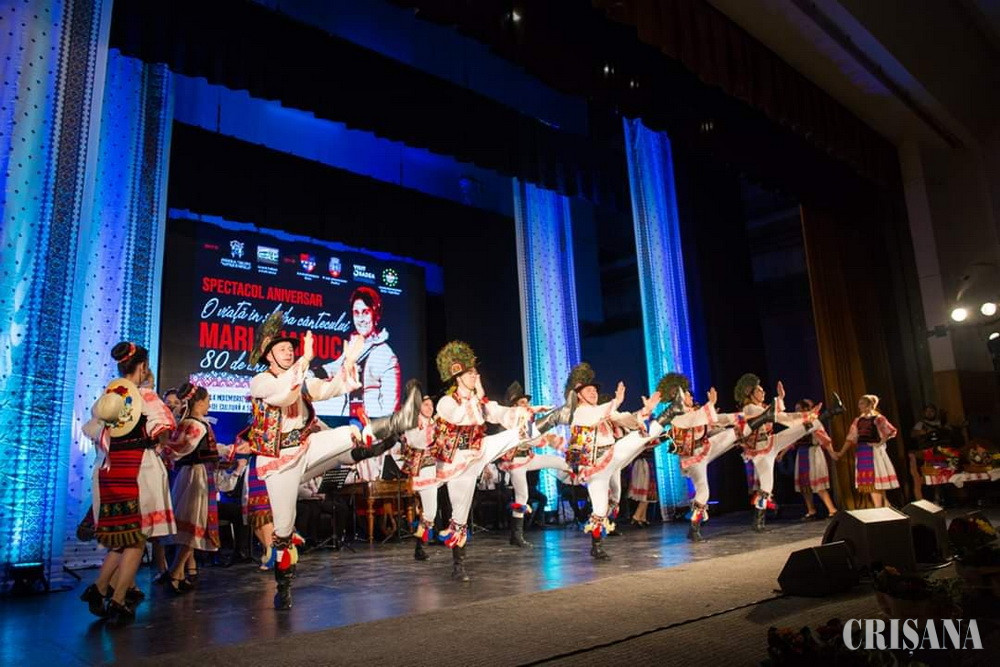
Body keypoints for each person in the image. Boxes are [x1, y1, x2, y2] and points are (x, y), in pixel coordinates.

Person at [244, 310, 420, 609]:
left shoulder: (300, 379)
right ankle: (283, 586)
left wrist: (349, 361)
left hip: (304, 447)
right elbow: (284, 395)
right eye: (282, 349)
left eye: (291, 348)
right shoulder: (260, 381)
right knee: (284, 529)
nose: (289, 351)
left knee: (347, 432)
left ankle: (395, 423)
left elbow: (328, 389)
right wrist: (305, 361)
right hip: (278, 461)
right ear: (268, 356)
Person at [80, 342, 176, 625]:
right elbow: (164, 427)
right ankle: (118, 599)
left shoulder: (109, 396)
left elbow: (94, 431)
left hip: (110, 468)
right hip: (139, 468)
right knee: (137, 538)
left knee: (122, 537)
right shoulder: (146, 397)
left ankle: (99, 588)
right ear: (143, 367)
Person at [432, 341, 528, 581]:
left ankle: (553, 419)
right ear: (458, 376)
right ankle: (458, 564)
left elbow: (497, 412)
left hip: (478, 451)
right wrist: (477, 398)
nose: (476, 376)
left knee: (515, 433)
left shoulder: (479, 402)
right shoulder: (446, 402)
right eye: (471, 373)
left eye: (476, 372)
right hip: (456, 463)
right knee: (460, 512)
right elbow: (463, 417)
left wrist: (519, 413)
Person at [564, 363, 661, 560]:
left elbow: (626, 419)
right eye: (589, 391)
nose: (593, 393)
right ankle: (596, 546)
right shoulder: (581, 412)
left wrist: (646, 410)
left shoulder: (602, 411)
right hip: (595, 465)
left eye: (595, 391)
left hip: (611, 457)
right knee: (599, 508)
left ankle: (663, 422)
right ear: (579, 396)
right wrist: (616, 401)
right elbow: (600, 413)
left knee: (639, 437)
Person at [734, 373, 843, 532]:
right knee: (766, 487)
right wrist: (781, 401)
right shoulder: (750, 408)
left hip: (771, 443)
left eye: (763, 390)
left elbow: (783, 417)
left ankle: (831, 412)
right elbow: (777, 416)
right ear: (749, 393)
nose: (763, 392)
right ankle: (758, 520)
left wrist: (785, 402)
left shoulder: (763, 407)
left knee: (801, 429)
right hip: (760, 451)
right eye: (759, 390)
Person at [163, 383, 222, 593]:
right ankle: (174, 572)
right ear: (199, 402)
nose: (209, 404)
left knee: (192, 527)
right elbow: (178, 449)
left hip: (195, 473)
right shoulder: (194, 424)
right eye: (207, 400)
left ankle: (179, 574)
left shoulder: (195, 423)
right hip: (195, 476)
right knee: (192, 526)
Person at [495, 381, 567, 548]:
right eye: (523, 403)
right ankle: (516, 535)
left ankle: (579, 472)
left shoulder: (528, 421)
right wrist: (548, 439)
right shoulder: (508, 423)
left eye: (527, 402)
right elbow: (529, 439)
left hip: (528, 458)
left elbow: (533, 437)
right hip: (516, 463)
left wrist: (549, 440)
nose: (527, 405)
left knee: (558, 461)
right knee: (522, 497)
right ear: (514, 406)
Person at [318, 286, 401, 418]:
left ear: (376, 314)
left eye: (365, 312)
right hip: (344, 420)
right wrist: (308, 373)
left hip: (369, 424)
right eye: (356, 313)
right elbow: (335, 368)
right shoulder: (354, 344)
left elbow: (390, 410)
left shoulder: (386, 355)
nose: (361, 319)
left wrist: (373, 427)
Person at [834, 394, 899, 508]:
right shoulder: (858, 420)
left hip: (873, 451)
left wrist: (879, 443)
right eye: (859, 403)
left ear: (870, 405)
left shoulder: (878, 418)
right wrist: (841, 453)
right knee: (870, 481)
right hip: (862, 451)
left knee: (875, 480)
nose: (859, 406)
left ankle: (879, 507)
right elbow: (850, 438)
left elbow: (890, 432)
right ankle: (885, 506)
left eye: (862, 403)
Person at [789, 398, 837, 520]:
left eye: (799, 409)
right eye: (796, 409)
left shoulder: (814, 421)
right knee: (805, 486)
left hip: (813, 453)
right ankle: (811, 511)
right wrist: (781, 454)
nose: (796, 411)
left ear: (806, 409)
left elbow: (825, 439)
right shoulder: (797, 424)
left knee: (819, 485)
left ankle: (832, 510)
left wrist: (832, 453)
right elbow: (792, 440)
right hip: (802, 453)